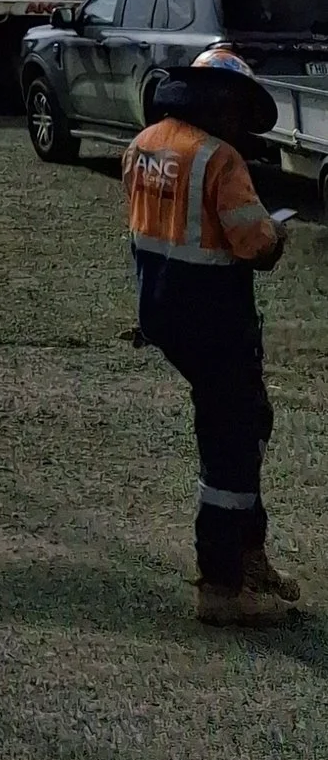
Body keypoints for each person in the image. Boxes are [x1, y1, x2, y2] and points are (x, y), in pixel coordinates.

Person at [125, 42, 301, 627]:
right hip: (214, 317)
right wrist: (278, 239)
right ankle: (224, 585)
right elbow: (254, 244)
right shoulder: (219, 158)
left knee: (247, 419)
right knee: (232, 439)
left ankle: (250, 558)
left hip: (162, 310)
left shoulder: (144, 144)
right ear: (224, 102)